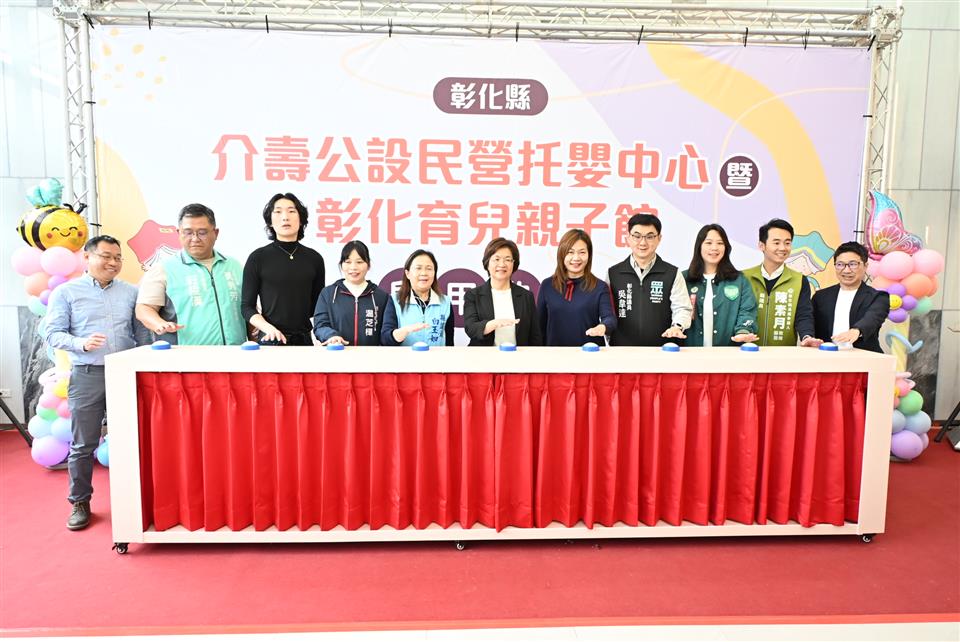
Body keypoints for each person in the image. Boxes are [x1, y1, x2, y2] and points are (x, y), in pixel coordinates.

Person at [44, 235, 149, 530]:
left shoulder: (131, 292)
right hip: (87, 374)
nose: (113, 262)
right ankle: (80, 502)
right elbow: (52, 333)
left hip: (125, 374)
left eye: (117, 257)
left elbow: (141, 335)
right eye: (106, 256)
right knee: (83, 444)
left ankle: (136, 501)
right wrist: (81, 343)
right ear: (87, 257)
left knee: (132, 440)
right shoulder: (66, 292)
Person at [135, 203, 246, 345]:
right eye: (188, 232)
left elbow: (248, 309)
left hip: (235, 352)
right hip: (185, 354)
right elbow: (144, 308)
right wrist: (159, 324)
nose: (195, 238)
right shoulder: (163, 268)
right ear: (178, 233)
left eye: (202, 232)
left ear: (216, 233)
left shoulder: (235, 266)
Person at [241, 193, 325, 346]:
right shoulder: (258, 257)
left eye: (291, 211)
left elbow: (318, 306)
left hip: (303, 341)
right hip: (271, 339)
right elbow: (247, 307)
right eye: (278, 212)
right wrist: (266, 327)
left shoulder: (314, 258)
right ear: (270, 222)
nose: (285, 217)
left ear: (301, 220)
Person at [607, 214, 691, 346]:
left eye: (650, 237)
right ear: (628, 238)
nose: (643, 242)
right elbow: (607, 312)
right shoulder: (613, 273)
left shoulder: (672, 273)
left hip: (663, 350)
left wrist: (677, 327)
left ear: (659, 239)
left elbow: (682, 308)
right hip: (622, 350)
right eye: (637, 236)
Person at [743, 218, 819, 347]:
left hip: (783, 353)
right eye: (776, 243)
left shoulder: (799, 280)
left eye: (787, 243)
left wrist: (807, 336)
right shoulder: (744, 277)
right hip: (747, 350)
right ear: (762, 245)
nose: (783, 248)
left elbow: (803, 315)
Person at [682, 224, 758, 347]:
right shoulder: (684, 279)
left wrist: (743, 331)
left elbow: (747, 310)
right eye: (708, 243)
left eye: (720, 243)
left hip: (727, 354)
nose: (714, 248)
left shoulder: (739, 280)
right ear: (699, 246)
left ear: (726, 248)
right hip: (690, 353)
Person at [537, 229, 616, 347]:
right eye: (570, 252)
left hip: (589, 353)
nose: (576, 258)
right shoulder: (547, 285)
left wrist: (603, 327)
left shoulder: (600, 287)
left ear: (589, 255)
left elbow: (609, 318)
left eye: (582, 252)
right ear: (562, 254)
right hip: (554, 354)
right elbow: (539, 326)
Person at [462, 238, 542, 347]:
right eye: (497, 259)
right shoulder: (473, 295)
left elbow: (535, 336)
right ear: (487, 263)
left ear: (514, 264)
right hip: (483, 356)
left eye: (507, 260)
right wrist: (494, 324)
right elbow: (471, 328)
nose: (502, 264)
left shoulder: (526, 296)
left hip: (519, 356)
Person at [811, 242, 890, 352]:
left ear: (865, 266)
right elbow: (809, 323)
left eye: (853, 264)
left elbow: (872, 318)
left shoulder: (878, 297)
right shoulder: (820, 297)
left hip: (864, 358)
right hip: (826, 356)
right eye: (840, 264)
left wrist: (857, 330)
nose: (846, 270)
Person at [313, 240, 388, 346]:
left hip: (371, 355)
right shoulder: (328, 293)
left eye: (359, 262)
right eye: (348, 262)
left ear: (368, 265)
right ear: (341, 265)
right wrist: (331, 336)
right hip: (338, 353)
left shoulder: (381, 296)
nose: (353, 267)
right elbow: (320, 326)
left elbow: (387, 331)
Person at [381, 249, 454, 347]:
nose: (424, 273)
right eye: (418, 268)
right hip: (404, 356)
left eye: (429, 268)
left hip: (437, 356)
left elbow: (449, 342)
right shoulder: (395, 300)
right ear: (407, 274)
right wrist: (405, 331)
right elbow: (385, 339)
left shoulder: (445, 302)